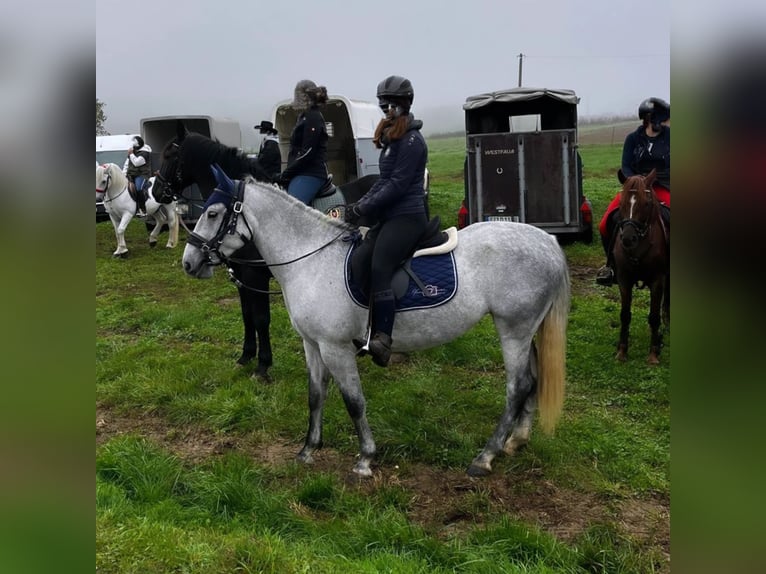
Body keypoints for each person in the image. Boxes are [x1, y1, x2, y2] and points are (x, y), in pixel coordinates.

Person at [344, 75, 429, 367]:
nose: (386, 109)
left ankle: (384, 338)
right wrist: (359, 205)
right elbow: (383, 181)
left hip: (408, 217)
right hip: (390, 216)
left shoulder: (413, 141)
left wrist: (363, 207)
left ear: (404, 104)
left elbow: (397, 186)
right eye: (383, 105)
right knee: (359, 260)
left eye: (390, 104)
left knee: (380, 264)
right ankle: (366, 326)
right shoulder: (394, 137)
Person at [596, 97, 671, 285]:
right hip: (635, 188)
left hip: (662, 186)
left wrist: (652, 178)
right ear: (650, 118)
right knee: (605, 223)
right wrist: (637, 181)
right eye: (663, 118)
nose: (666, 123)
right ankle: (611, 266)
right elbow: (626, 166)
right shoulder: (633, 139)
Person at [277, 80, 329, 204]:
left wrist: (287, 173)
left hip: (311, 173)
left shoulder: (313, 117)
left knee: (291, 209)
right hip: (300, 172)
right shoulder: (303, 116)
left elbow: (308, 153)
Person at [125, 135, 152, 217]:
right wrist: (123, 173)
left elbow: (137, 163)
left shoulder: (145, 153)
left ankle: (143, 209)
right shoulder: (133, 152)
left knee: (138, 188)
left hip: (142, 175)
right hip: (131, 174)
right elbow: (127, 164)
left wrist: (131, 154)